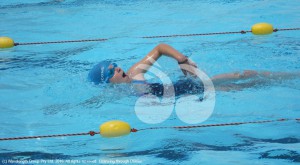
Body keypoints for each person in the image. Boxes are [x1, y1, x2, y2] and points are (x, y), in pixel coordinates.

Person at [88, 43, 298, 95]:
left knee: (242, 74)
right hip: (188, 96)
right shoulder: (116, 94)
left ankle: (292, 75)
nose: (117, 69)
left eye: (115, 65)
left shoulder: (135, 72)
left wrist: (181, 59)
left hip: (189, 85)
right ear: (106, 83)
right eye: (110, 72)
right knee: (243, 86)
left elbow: (160, 47)